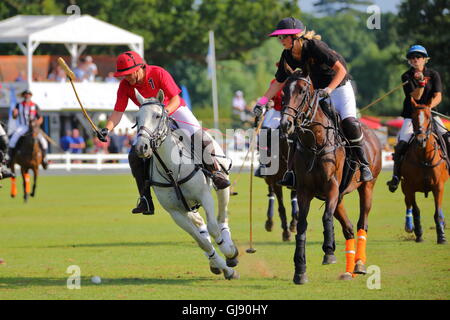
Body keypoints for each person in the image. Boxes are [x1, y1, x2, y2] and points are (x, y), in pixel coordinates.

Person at [97, 51, 230, 215]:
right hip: (150, 121)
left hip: (174, 110)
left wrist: (164, 113)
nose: (127, 78)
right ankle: (145, 199)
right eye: (123, 75)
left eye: (129, 74)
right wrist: (107, 128)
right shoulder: (125, 86)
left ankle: (216, 172)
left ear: (139, 67)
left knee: (198, 135)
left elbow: (174, 98)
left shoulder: (158, 73)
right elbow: (118, 111)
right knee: (135, 155)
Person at [253, 17, 374, 187]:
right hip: (317, 92)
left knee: (350, 123)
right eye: (279, 37)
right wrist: (262, 102)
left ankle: (364, 164)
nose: (280, 41)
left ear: (295, 36)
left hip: (339, 88)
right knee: (298, 126)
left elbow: (341, 70)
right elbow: (279, 81)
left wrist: (329, 90)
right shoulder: (287, 55)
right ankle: (291, 172)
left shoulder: (314, 47)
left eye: (283, 37)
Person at [386, 45, 450, 192]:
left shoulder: (434, 75)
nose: (415, 60)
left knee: (447, 137)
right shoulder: (406, 76)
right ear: (409, 61)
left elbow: (438, 96)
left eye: (418, 57)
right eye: (412, 58)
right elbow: (416, 96)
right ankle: (396, 176)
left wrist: (428, 107)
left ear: (425, 59)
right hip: (412, 116)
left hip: (431, 114)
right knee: (402, 143)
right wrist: (421, 82)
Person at [7, 90, 48, 169]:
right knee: (12, 140)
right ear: (23, 96)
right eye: (26, 95)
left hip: (33, 127)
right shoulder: (19, 105)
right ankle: (10, 159)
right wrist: (14, 114)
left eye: (28, 95)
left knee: (44, 142)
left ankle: (44, 159)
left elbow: (40, 118)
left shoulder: (35, 105)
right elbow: (14, 117)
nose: (27, 96)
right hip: (23, 126)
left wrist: (36, 124)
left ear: (30, 96)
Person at [255, 78, 284, 178]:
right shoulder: (275, 81)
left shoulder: (297, 79)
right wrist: (261, 104)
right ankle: (263, 161)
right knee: (264, 132)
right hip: (277, 112)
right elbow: (267, 96)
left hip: (292, 111)